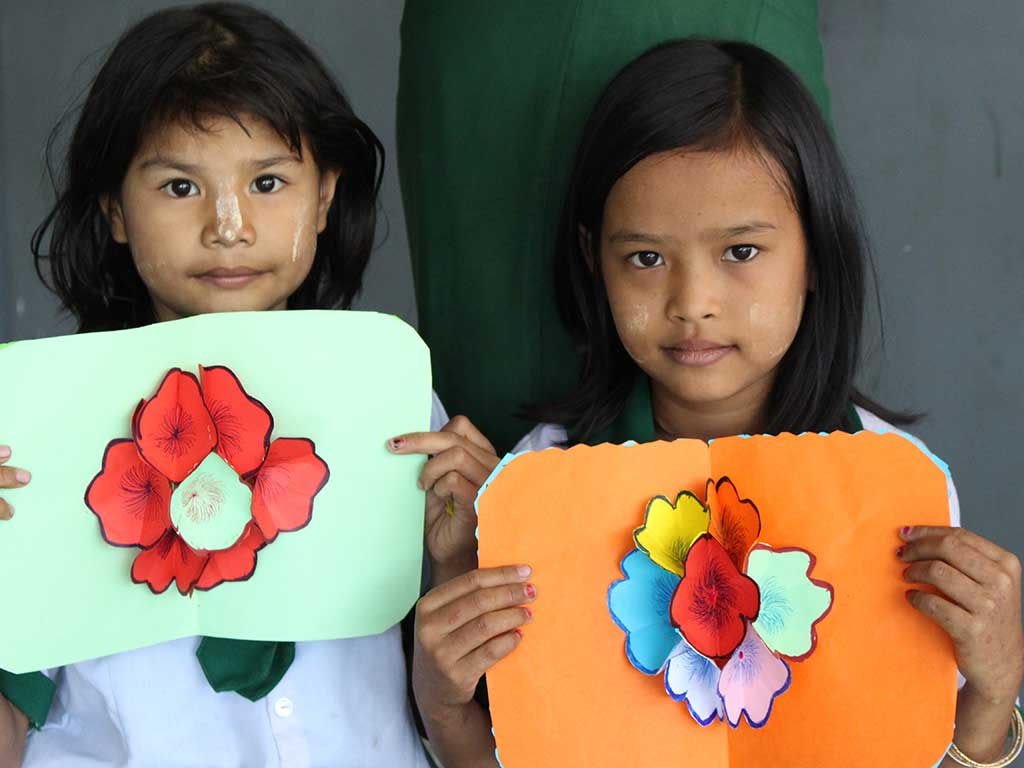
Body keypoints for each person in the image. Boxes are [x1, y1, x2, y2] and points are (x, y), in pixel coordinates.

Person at [392, 39, 1024, 767]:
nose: (693, 303)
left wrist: (993, 688)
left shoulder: (896, 489)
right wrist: (443, 702)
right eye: (646, 258)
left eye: (741, 252)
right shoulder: (542, 480)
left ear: (816, 253)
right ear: (595, 261)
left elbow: (919, 747)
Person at [0, 3, 448, 765]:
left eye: (267, 181)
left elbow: (465, 686)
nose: (228, 225)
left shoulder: (391, 401)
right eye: (180, 188)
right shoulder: (38, 429)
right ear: (114, 209)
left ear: (325, 197)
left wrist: (472, 541)